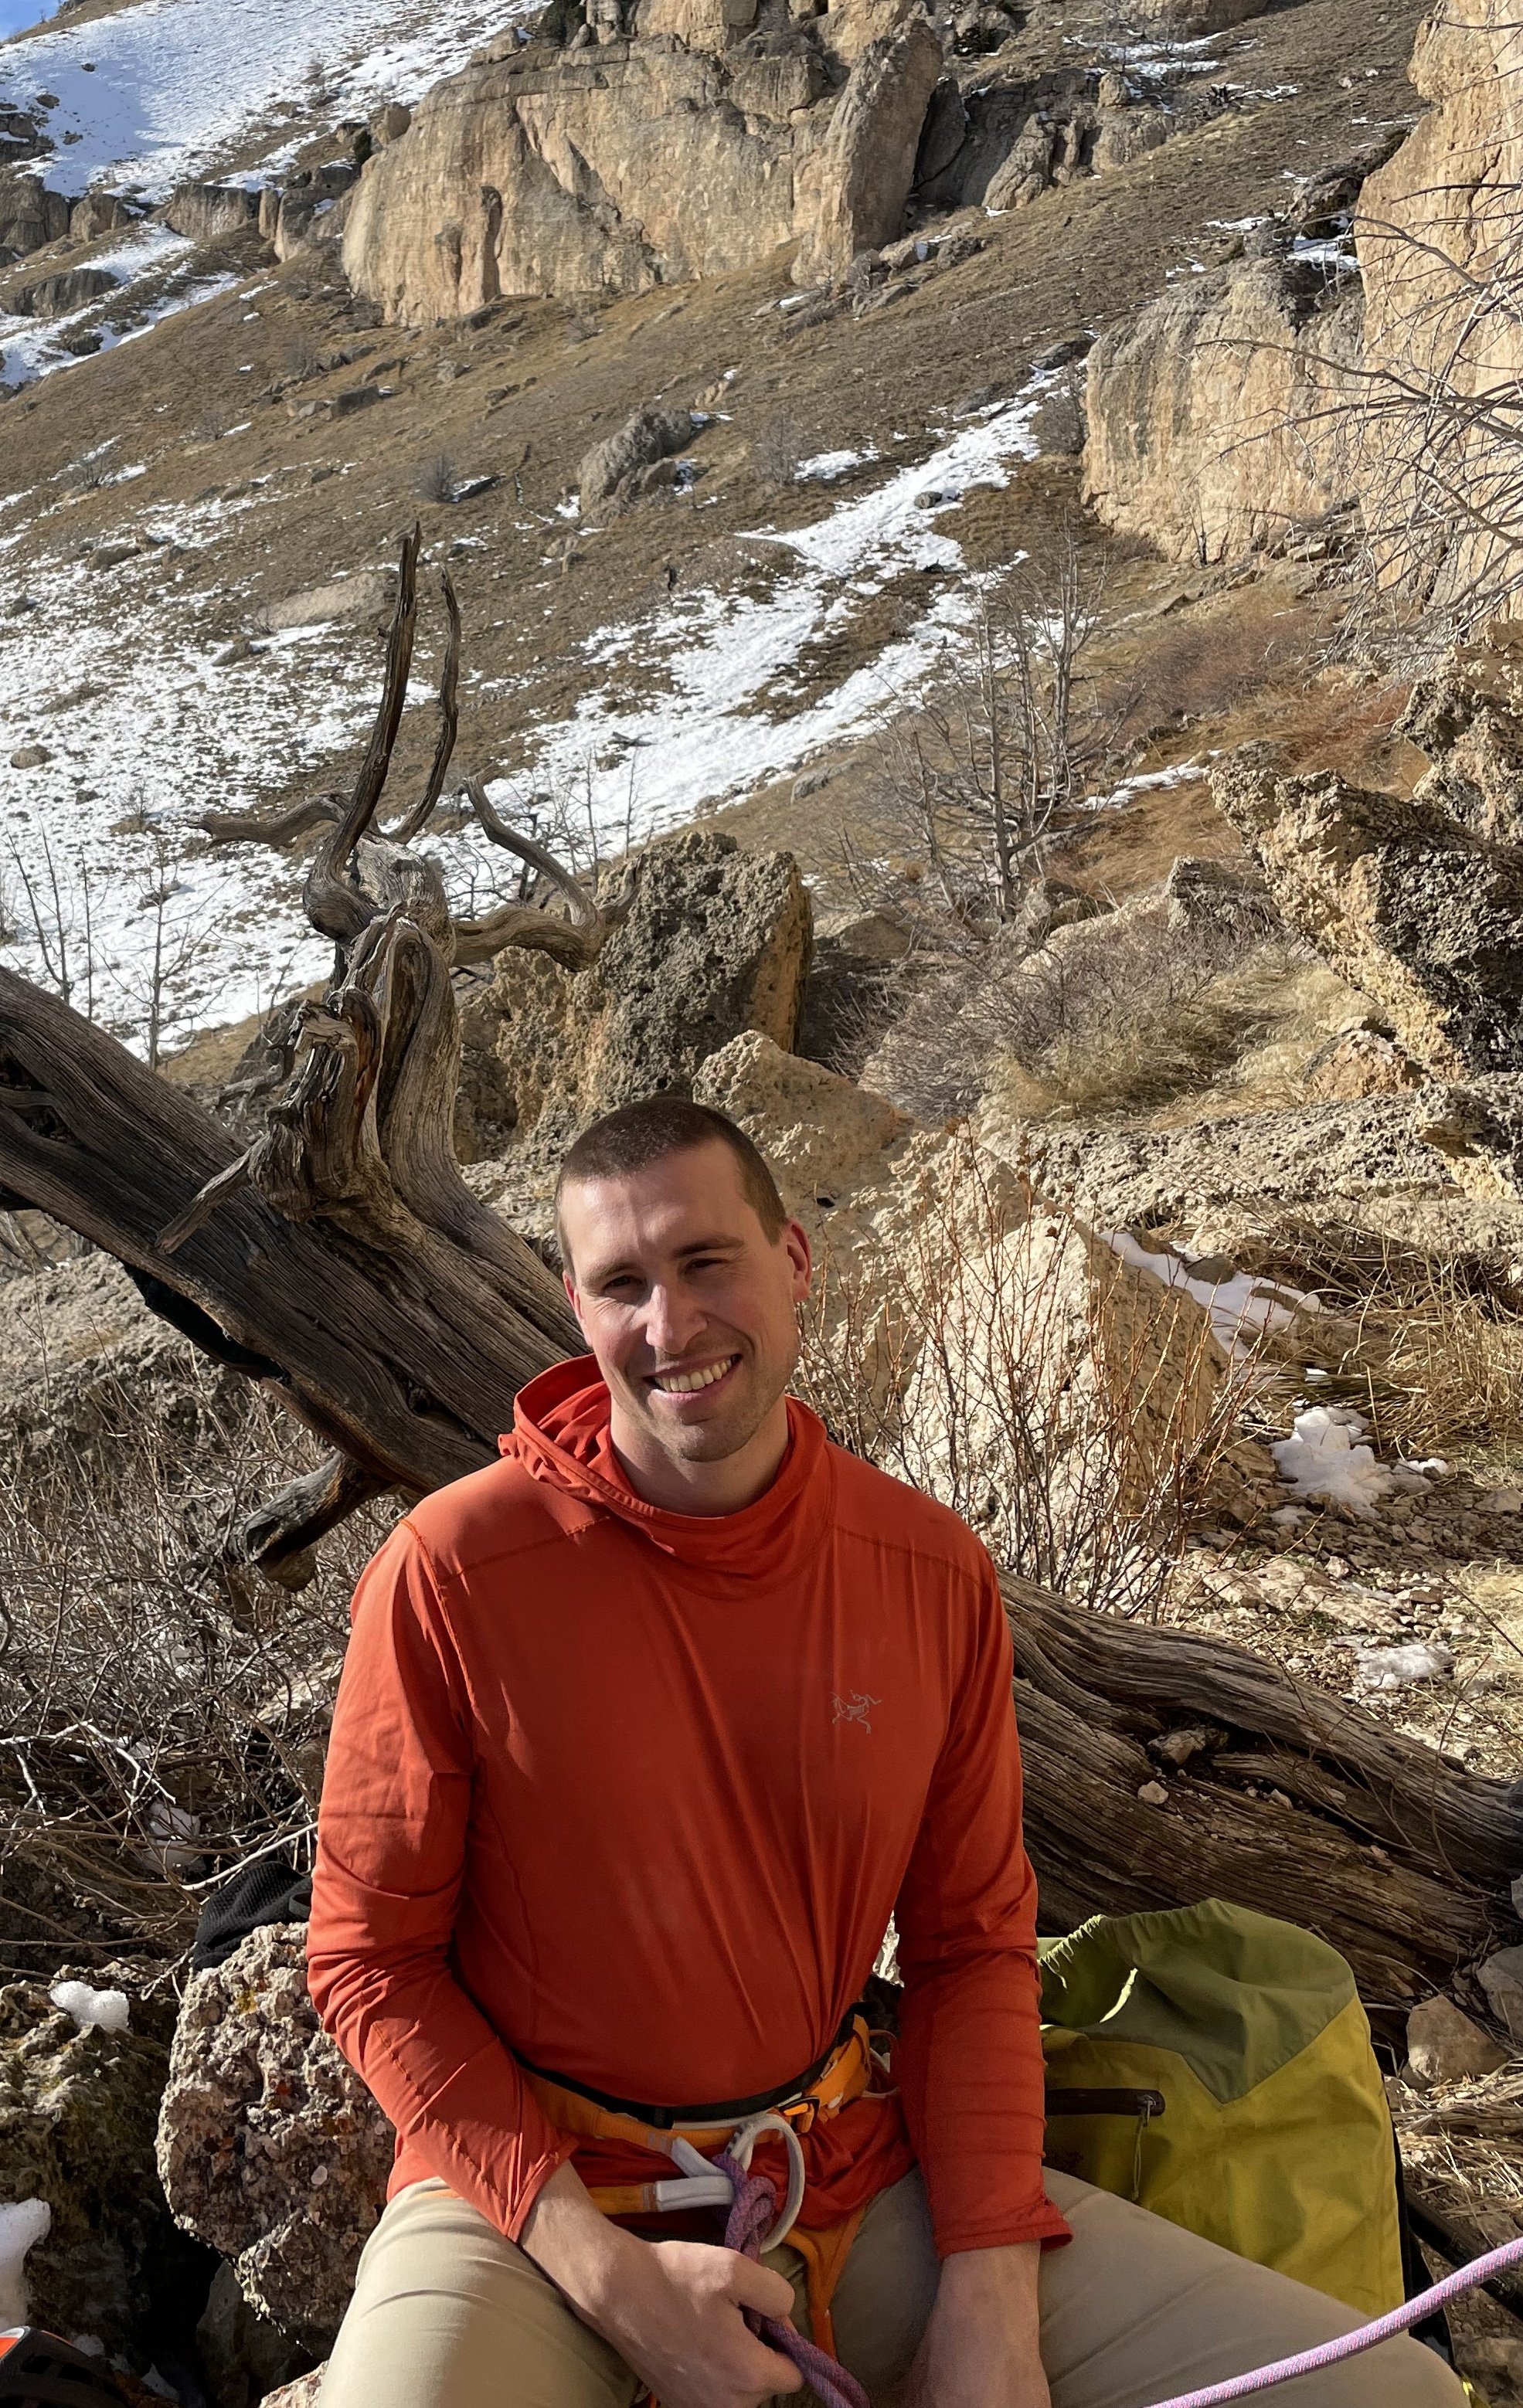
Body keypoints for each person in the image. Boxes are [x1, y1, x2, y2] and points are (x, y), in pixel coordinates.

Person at [309, 1095, 1461, 2408]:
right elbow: (369, 1962)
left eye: (705, 1261)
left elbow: (972, 1947)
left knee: (1392, 2398)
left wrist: (992, 2294)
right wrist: (611, 2281)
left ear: (794, 1261)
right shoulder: (453, 1572)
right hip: (537, 2206)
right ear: (577, 1307)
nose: (670, 1325)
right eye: (622, 1283)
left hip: (835, 2169)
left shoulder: (923, 1568)